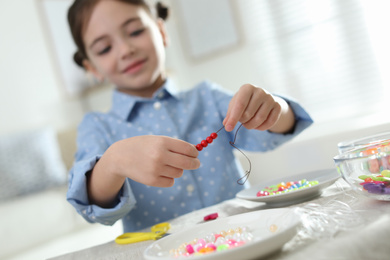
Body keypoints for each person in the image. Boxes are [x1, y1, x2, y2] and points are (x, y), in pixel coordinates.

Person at [66, 0, 313, 232]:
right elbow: (91, 205)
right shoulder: (97, 126)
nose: (125, 50)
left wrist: (274, 107)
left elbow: (276, 129)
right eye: (105, 48)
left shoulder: (207, 97)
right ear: (91, 68)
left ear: (161, 32)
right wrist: (113, 162)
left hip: (244, 236)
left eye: (135, 32)